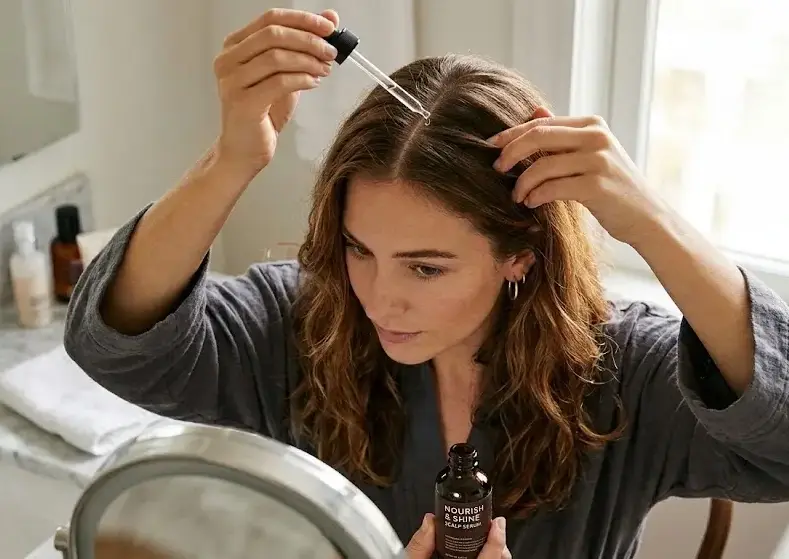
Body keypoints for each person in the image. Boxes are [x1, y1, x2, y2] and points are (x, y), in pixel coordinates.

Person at [64, 7, 789, 559]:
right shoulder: (308, 323)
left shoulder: (623, 372)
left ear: (519, 254)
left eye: (426, 266)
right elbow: (120, 347)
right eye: (359, 249)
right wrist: (230, 160)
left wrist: (654, 221)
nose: (379, 297)